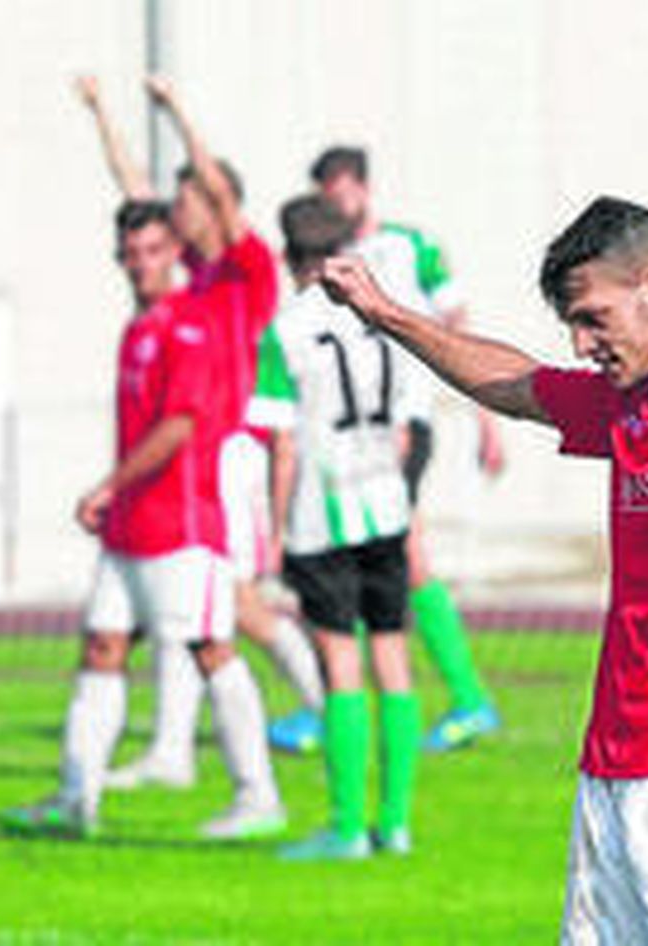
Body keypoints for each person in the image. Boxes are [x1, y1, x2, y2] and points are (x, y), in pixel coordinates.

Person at [319, 197, 648, 942]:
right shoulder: (627, 401)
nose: (581, 340)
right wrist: (385, 313)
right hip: (614, 764)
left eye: (594, 317)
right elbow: (517, 384)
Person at [2, 199, 285, 840]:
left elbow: (180, 425)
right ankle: (78, 798)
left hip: (183, 529)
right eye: (131, 254)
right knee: (102, 649)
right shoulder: (140, 328)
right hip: (128, 531)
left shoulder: (193, 325)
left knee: (211, 649)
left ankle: (258, 796)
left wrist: (107, 484)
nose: (141, 264)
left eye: (154, 250)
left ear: (173, 253)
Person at [71, 76, 326, 781]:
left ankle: (321, 707)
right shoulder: (184, 275)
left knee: (229, 612)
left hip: (229, 456)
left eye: (188, 199)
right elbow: (135, 188)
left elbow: (213, 186)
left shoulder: (244, 270)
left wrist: (180, 111)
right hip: (199, 459)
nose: (177, 210)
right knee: (194, 615)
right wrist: (103, 113)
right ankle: (170, 750)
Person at [310, 145, 503, 753]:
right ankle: (453, 700)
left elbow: (458, 327)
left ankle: (447, 700)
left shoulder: (410, 247)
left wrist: (487, 418)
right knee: (396, 554)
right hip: (354, 431)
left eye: (341, 192)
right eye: (325, 196)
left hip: (403, 425)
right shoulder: (328, 258)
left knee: (380, 553)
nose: (335, 204)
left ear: (363, 189)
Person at [251, 194, 427, 860]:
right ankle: (397, 820)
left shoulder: (287, 328)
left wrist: (273, 527)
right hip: (385, 500)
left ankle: (348, 827)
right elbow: (407, 429)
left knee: (341, 664)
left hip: (321, 515)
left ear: (286, 255)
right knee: (394, 658)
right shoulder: (382, 316)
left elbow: (284, 443)